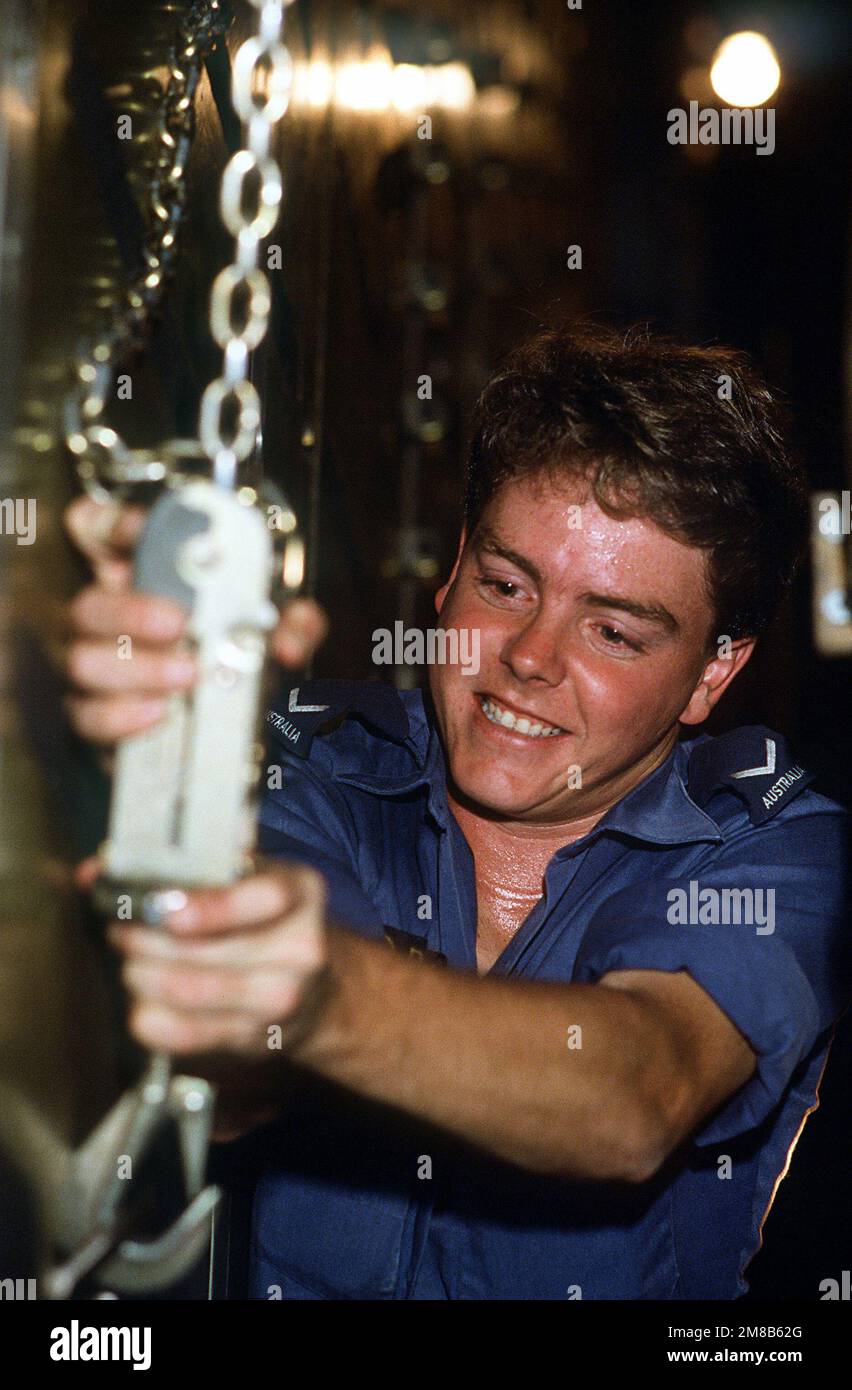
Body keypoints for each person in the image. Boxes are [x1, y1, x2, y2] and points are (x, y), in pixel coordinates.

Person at [64, 325, 850, 1300]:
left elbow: (633, 1091)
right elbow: (221, 1069)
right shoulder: (317, 763)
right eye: (505, 583)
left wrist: (312, 993)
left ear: (712, 671)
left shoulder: (777, 845)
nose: (529, 655)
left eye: (611, 629)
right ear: (451, 572)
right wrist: (144, 752)